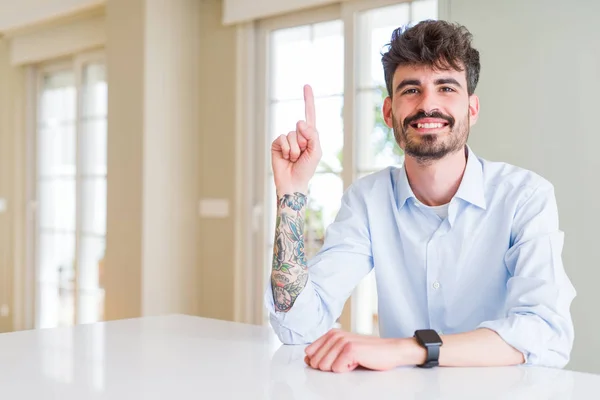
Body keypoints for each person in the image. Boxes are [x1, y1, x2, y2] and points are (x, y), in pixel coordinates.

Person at [265, 20, 576, 373]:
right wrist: (291, 194)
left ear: (471, 109)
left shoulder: (525, 197)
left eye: (446, 88)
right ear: (388, 112)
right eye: (411, 90)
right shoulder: (367, 200)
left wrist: (410, 349)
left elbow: (546, 333)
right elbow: (297, 327)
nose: (428, 105)